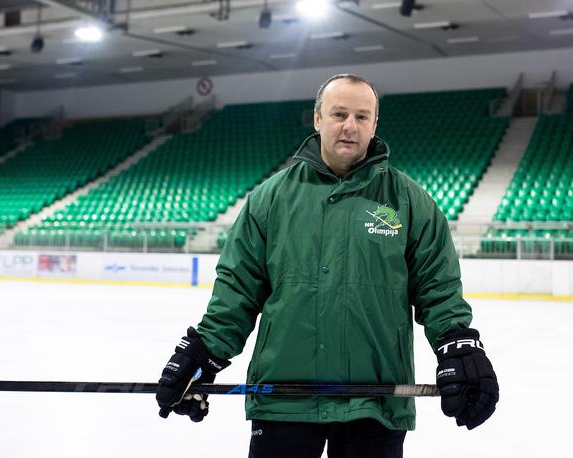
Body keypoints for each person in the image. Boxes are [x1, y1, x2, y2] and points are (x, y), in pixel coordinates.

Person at [156, 73, 499, 458]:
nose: (350, 126)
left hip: (376, 402)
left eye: (362, 116)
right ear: (317, 119)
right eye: (339, 114)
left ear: (374, 125)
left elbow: (438, 286)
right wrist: (202, 353)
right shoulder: (270, 199)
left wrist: (458, 345)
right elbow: (237, 289)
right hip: (284, 398)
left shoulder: (408, 200)